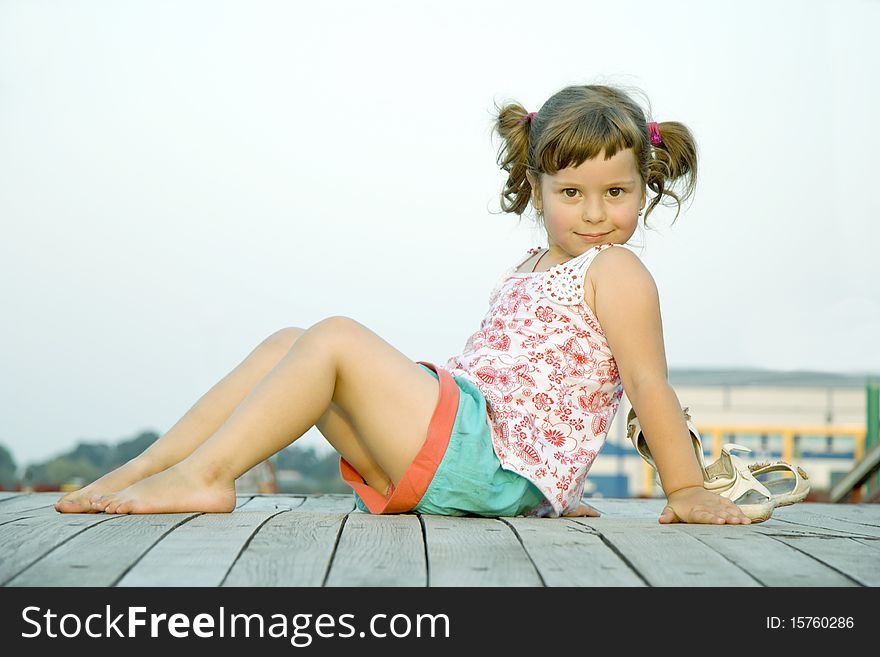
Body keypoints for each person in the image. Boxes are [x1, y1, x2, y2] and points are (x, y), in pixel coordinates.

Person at [55, 82, 752, 525]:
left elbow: (646, 384)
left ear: (644, 188)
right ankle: (147, 468)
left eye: (616, 193)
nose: (596, 213)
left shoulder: (617, 270)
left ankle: (205, 477)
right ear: (536, 188)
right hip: (469, 450)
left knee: (332, 336)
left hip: (489, 460)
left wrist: (684, 488)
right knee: (288, 342)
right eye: (572, 193)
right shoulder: (531, 266)